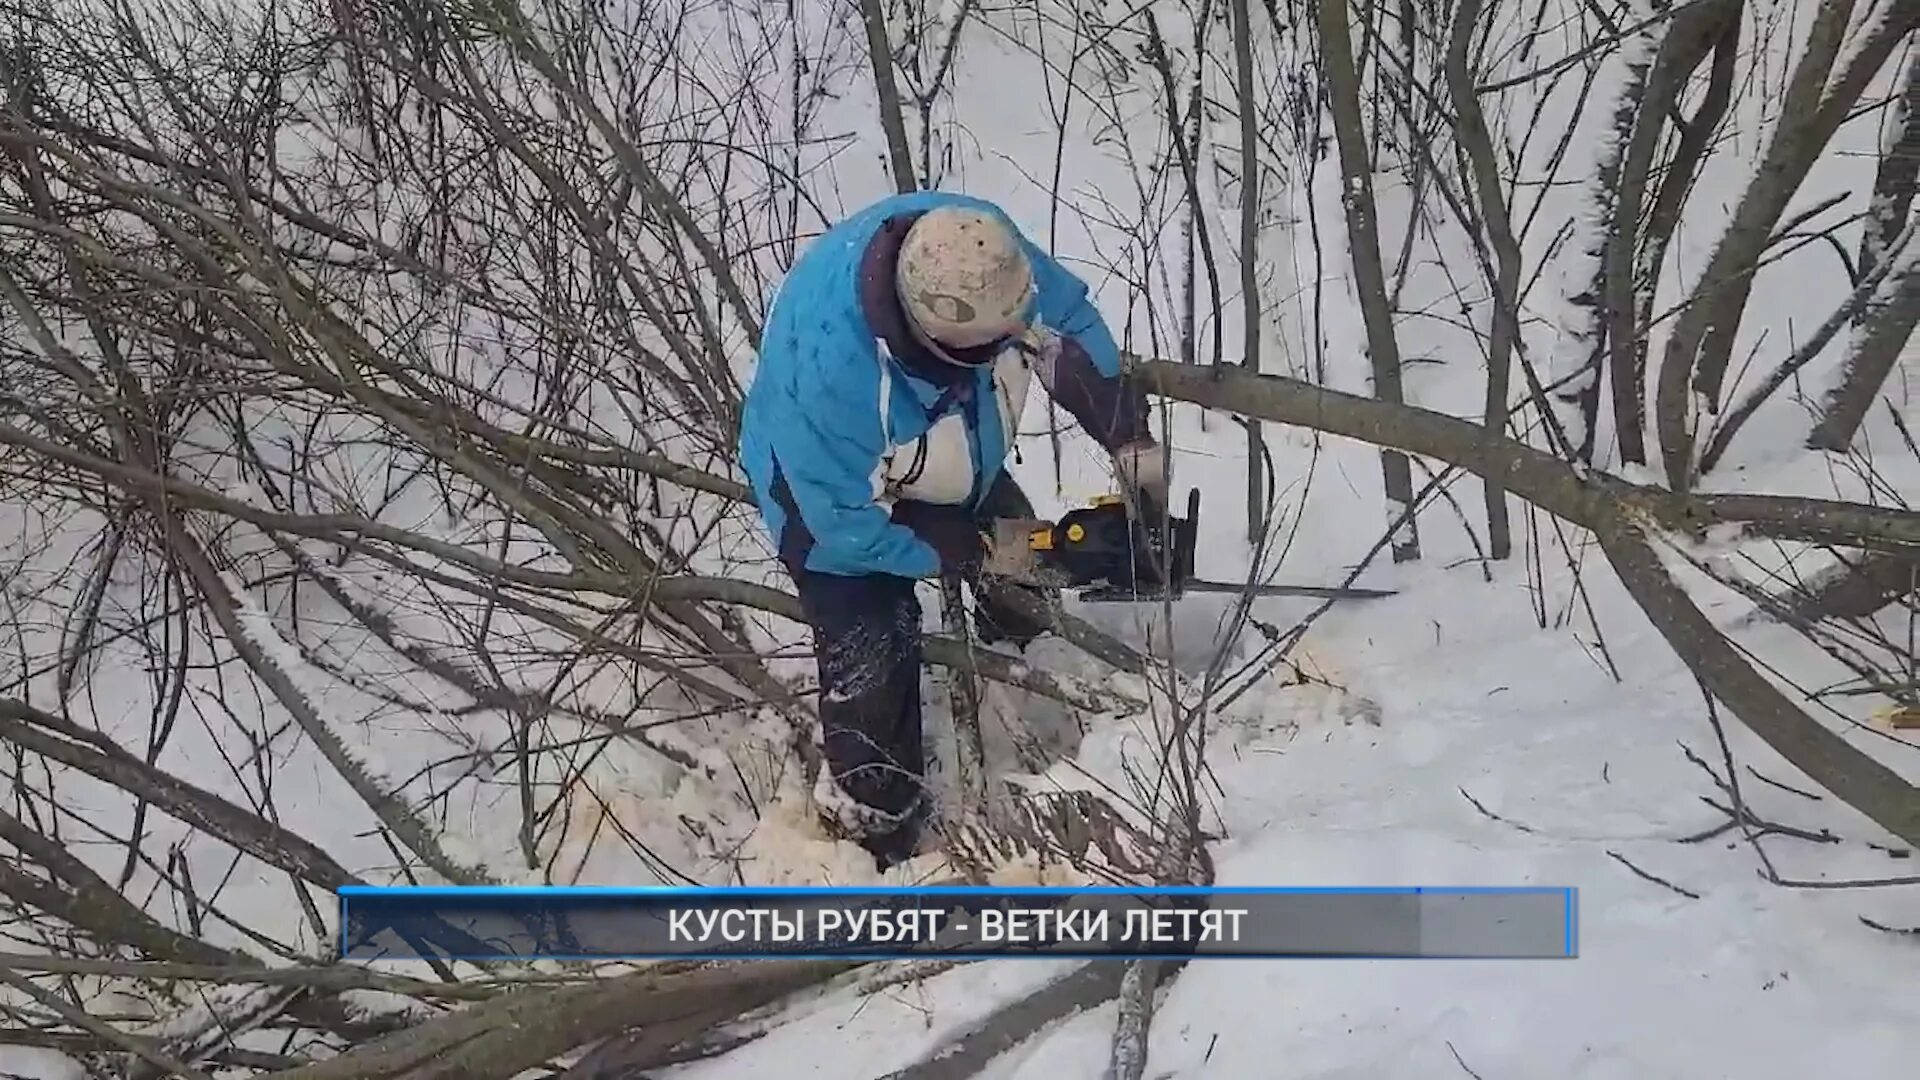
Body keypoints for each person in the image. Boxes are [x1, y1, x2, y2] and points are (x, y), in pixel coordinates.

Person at [738, 190, 1169, 870]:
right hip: (826, 509)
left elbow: (1065, 324)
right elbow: (846, 529)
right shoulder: (835, 382)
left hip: (945, 449)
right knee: (873, 647)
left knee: (1025, 548)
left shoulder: (977, 246)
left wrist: (1127, 434)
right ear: (938, 342)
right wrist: (966, 548)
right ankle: (874, 824)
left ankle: (1023, 650)